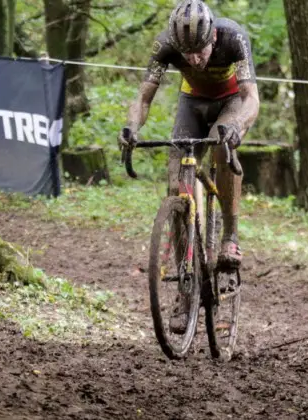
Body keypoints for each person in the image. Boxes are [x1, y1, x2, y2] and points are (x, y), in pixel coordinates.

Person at [121, 0, 259, 332]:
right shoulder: (166, 43)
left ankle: (230, 235)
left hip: (231, 104)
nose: (195, 59)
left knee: (222, 149)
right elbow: (144, 97)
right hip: (192, 104)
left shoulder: (233, 38)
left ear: (213, 35)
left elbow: (251, 97)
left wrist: (237, 127)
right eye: (188, 55)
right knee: (176, 183)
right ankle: (186, 289)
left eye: (200, 50)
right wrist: (131, 128)